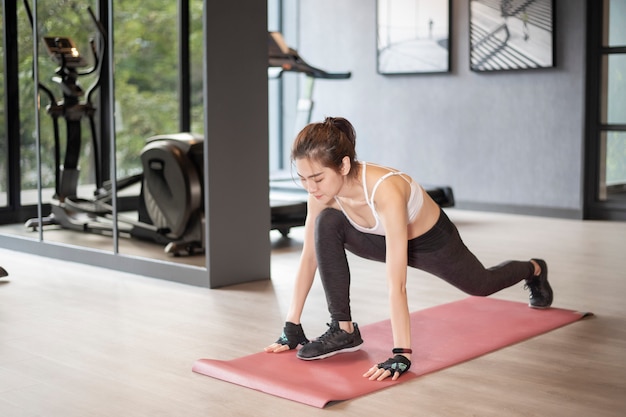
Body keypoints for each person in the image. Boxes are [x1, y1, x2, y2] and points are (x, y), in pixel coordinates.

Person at [264, 117, 553, 381]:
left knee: (481, 284)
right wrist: (292, 325)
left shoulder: (386, 189)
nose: (310, 188)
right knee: (326, 221)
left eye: (316, 178)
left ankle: (534, 268)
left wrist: (402, 353)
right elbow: (309, 256)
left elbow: (397, 283)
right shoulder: (320, 194)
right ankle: (343, 329)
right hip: (374, 238)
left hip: (431, 243)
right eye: (302, 179)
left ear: (343, 165)